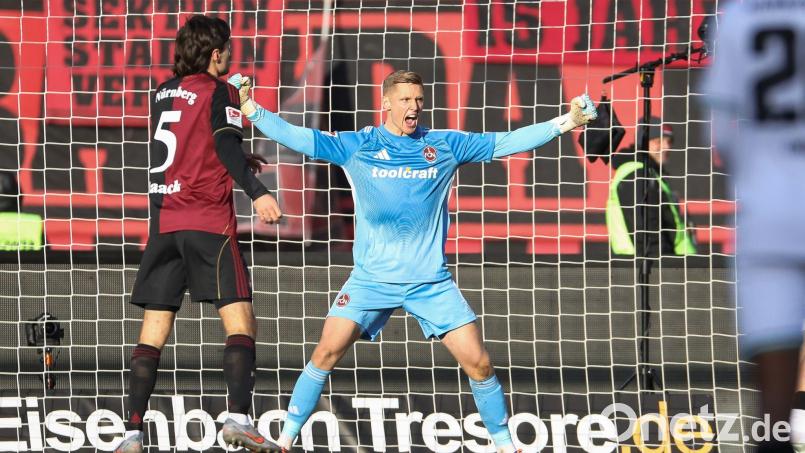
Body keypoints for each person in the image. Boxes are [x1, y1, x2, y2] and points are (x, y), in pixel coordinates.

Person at [229, 69, 597, 452]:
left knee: (480, 364)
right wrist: (252, 109)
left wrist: (568, 121)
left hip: (430, 283)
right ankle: (284, 442)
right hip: (371, 281)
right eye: (405, 99)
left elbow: (505, 142)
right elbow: (300, 138)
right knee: (325, 353)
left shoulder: (444, 145)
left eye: (419, 99)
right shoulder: (359, 145)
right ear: (386, 103)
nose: (414, 107)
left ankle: (506, 446)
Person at [114, 15, 284, 453]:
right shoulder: (220, 90)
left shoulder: (161, 92)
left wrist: (238, 158)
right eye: (228, 48)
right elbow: (222, 144)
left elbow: (190, 145)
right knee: (240, 319)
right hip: (208, 222)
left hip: (165, 223)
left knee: (153, 330)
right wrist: (258, 191)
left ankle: (132, 432)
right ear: (216, 53)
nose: (231, 55)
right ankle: (238, 418)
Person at [703, 1, 805, 452]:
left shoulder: (740, 16)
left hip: (767, 209)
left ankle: (776, 436)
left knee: (771, 400)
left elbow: (721, 133)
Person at [606, 117, 697, 258]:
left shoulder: (650, 173)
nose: (666, 147)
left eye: (669, 141)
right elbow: (646, 233)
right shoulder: (637, 174)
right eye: (658, 141)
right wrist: (662, 267)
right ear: (643, 143)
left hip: (669, 264)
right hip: (648, 266)